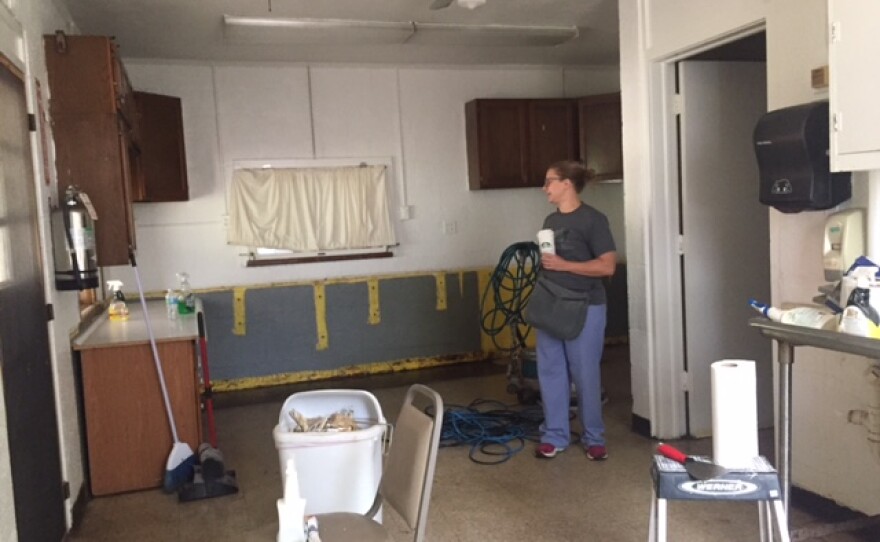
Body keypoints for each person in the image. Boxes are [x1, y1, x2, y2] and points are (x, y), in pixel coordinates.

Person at [534, 160, 617, 461]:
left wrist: (565, 265)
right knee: (551, 370)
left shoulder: (594, 220)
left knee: (585, 373)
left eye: (549, 181)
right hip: (552, 303)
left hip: (586, 306)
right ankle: (554, 436)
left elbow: (607, 266)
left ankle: (594, 437)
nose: (545, 188)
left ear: (567, 183)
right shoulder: (551, 221)